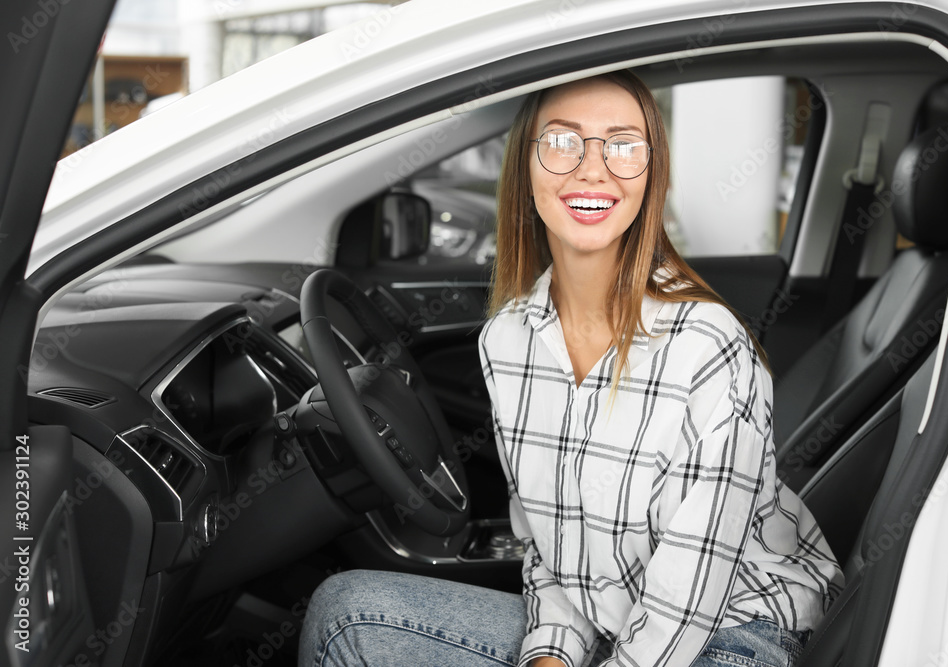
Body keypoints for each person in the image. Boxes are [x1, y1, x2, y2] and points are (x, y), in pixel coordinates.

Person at [299, 70, 844, 667]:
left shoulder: (709, 346)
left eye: (623, 145)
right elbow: (549, 551)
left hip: (738, 628)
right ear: (525, 170)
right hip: (608, 618)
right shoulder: (507, 342)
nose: (593, 169)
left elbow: (693, 588)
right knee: (344, 613)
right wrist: (550, 654)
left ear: (651, 174)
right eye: (562, 142)